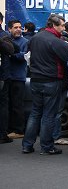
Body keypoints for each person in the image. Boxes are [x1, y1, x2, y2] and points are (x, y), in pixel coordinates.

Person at [22, 14, 68, 155]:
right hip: (51, 80)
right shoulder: (56, 41)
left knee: (35, 113)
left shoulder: (35, 38)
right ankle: (46, 146)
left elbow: (28, 56)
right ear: (53, 25)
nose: (64, 29)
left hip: (36, 80)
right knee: (49, 115)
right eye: (62, 25)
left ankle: (27, 145)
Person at [7, 20, 28, 139]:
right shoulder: (7, 40)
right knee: (8, 105)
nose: (19, 29)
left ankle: (19, 130)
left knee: (17, 105)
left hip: (18, 78)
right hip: (7, 77)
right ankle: (9, 129)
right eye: (16, 27)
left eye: (20, 27)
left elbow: (24, 56)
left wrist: (11, 54)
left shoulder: (25, 42)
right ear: (9, 29)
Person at [0, 12, 15, 144]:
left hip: (2, 77)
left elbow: (11, 50)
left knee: (3, 105)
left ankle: (2, 134)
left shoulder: (4, 35)